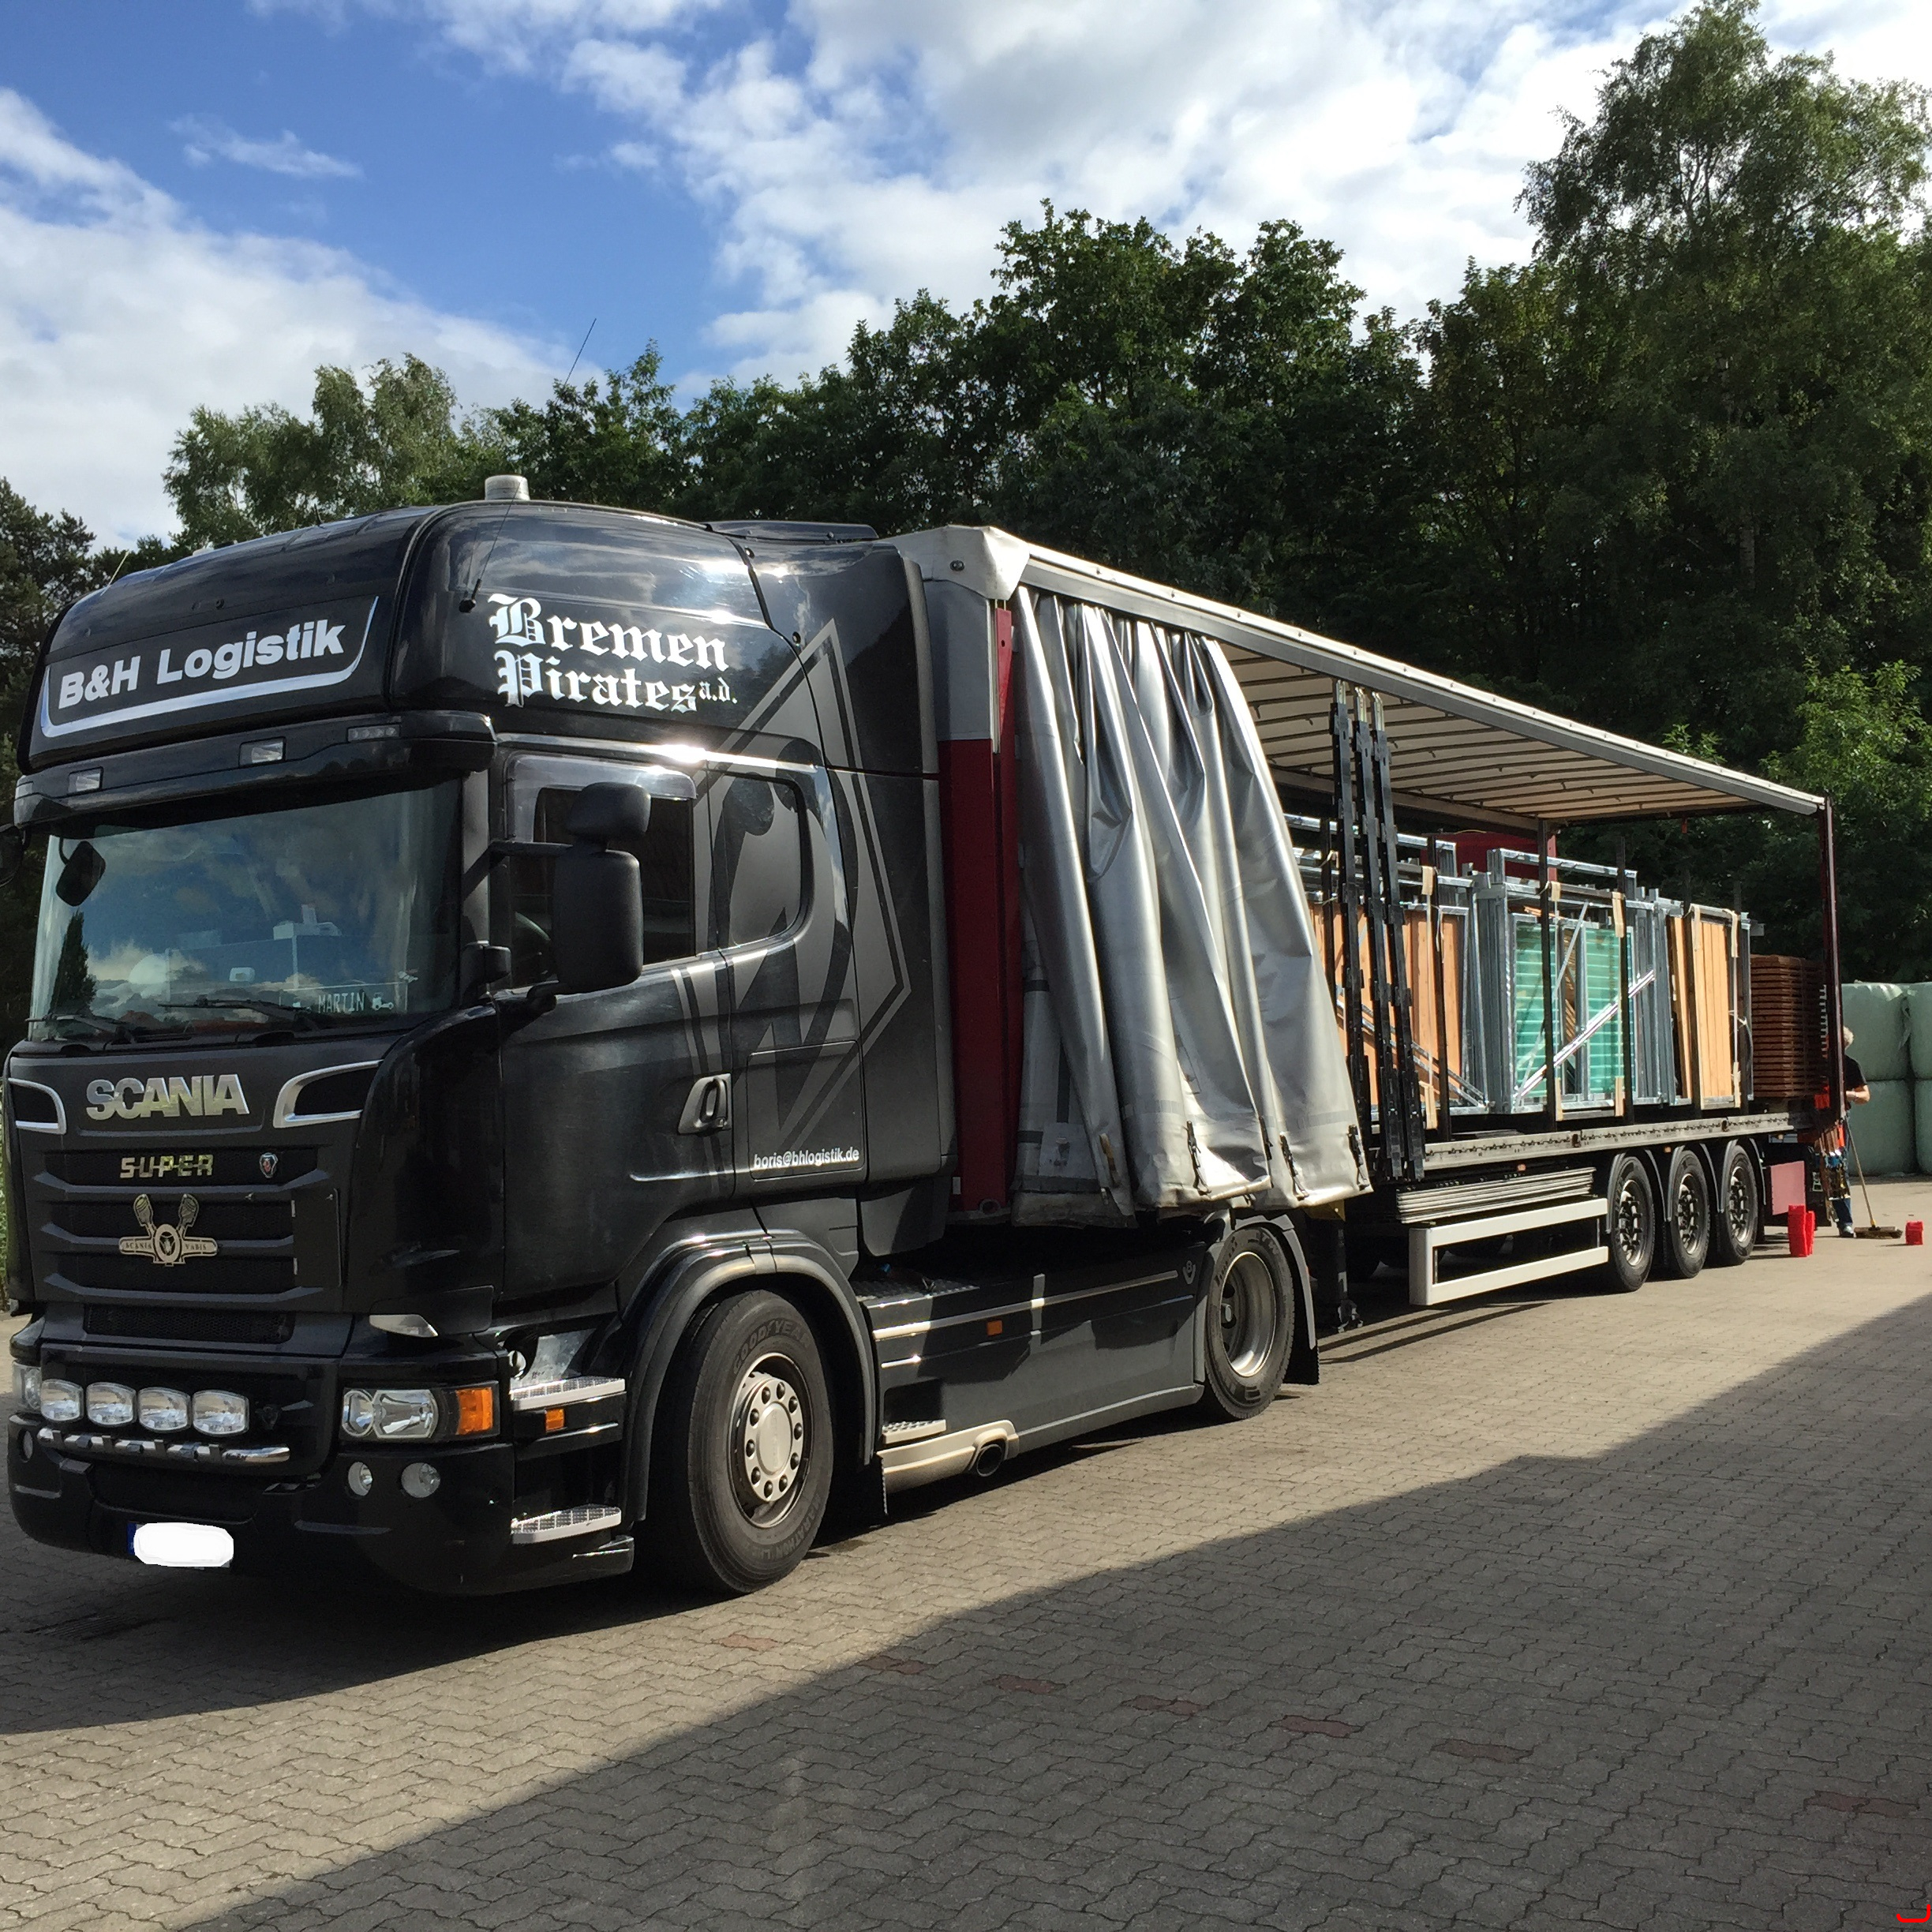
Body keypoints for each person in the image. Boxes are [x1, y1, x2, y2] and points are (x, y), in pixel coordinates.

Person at [1822, 1026, 1870, 1236]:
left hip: (1836, 1121)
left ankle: (1845, 1221)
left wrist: (1848, 1094)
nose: (1826, 1044)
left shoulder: (1850, 1065)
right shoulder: (1814, 1064)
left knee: (1837, 1167)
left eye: (1830, 1040)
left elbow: (1865, 1096)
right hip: (1813, 1117)